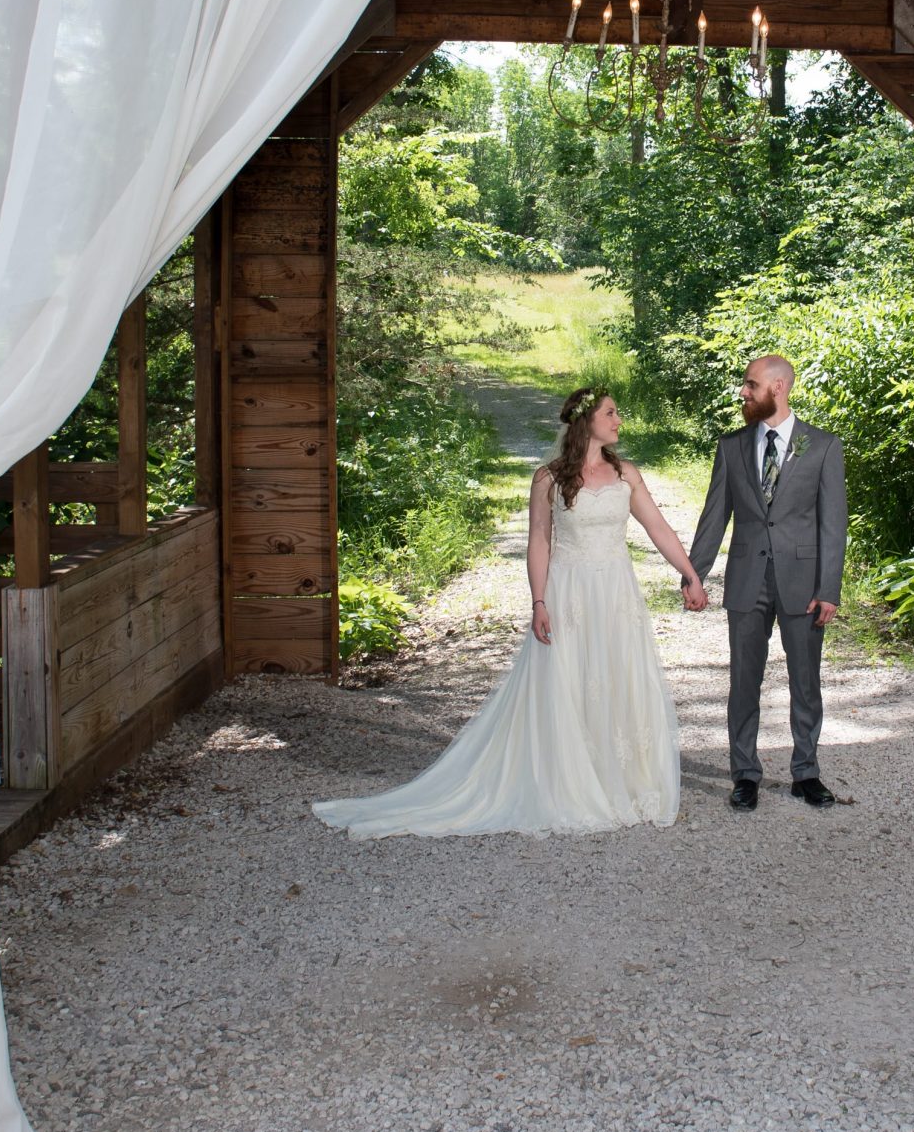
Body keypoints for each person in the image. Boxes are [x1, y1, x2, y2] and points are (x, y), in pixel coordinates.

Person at [311, 388, 703, 838]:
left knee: (616, 676)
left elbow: (658, 527)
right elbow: (539, 541)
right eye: (611, 413)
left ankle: (620, 780)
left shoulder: (626, 474)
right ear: (585, 421)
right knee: (569, 681)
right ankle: (570, 782)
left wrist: (690, 573)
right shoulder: (549, 479)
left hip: (616, 593)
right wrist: (539, 601)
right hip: (569, 592)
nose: (619, 421)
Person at [687, 355, 848, 813]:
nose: (743, 392)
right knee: (744, 682)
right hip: (746, 581)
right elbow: (714, 516)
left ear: (778, 387)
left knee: (805, 682)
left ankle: (806, 772)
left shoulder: (822, 446)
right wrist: (694, 574)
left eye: (750, 385)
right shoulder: (731, 446)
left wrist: (829, 588)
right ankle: (745, 774)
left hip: (804, 585)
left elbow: (833, 525)